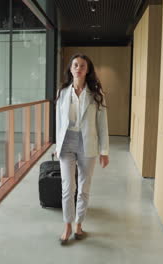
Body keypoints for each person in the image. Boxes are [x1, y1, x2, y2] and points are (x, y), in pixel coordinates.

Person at [55, 53, 109, 245]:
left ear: (87, 70)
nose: (78, 68)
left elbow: (102, 125)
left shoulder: (96, 94)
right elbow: (59, 122)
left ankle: (79, 223)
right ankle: (67, 225)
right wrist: (56, 145)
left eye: (82, 66)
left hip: (88, 144)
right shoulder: (62, 93)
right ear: (70, 69)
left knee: (84, 187)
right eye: (75, 65)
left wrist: (104, 151)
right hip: (67, 142)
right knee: (68, 187)